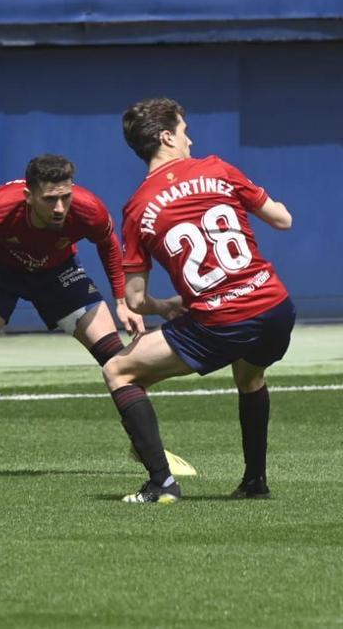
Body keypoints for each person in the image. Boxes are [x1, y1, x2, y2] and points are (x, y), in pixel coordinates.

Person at [104, 97, 296, 504]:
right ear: (166, 136)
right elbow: (283, 220)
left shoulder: (137, 208)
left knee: (119, 371)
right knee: (250, 377)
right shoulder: (218, 168)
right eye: (184, 129)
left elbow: (134, 300)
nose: (190, 137)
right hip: (275, 306)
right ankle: (255, 481)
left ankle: (161, 483)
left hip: (221, 319)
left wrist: (164, 306)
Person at [0, 153, 146, 479]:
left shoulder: (89, 208)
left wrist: (122, 300)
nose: (60, 207)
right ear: (29, 196)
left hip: (57, 273)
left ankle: (145, 446)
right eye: (50, 200)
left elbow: (108, 243)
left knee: (117, 358)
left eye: (66, 197)